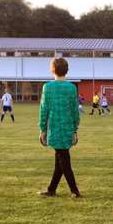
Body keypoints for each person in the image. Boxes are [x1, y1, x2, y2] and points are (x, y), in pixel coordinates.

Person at [39, 57, 81, 198]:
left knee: (63, 160)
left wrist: (43, 129)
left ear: (52, 70)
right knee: (61, 159)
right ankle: (51, 189)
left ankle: (74, 190)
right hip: (68, 127)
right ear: (67, 70)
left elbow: (44, 110)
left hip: (54, 128)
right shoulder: (71, 88)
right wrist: (75, 129)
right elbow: (75, 110)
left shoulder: (47, 87)